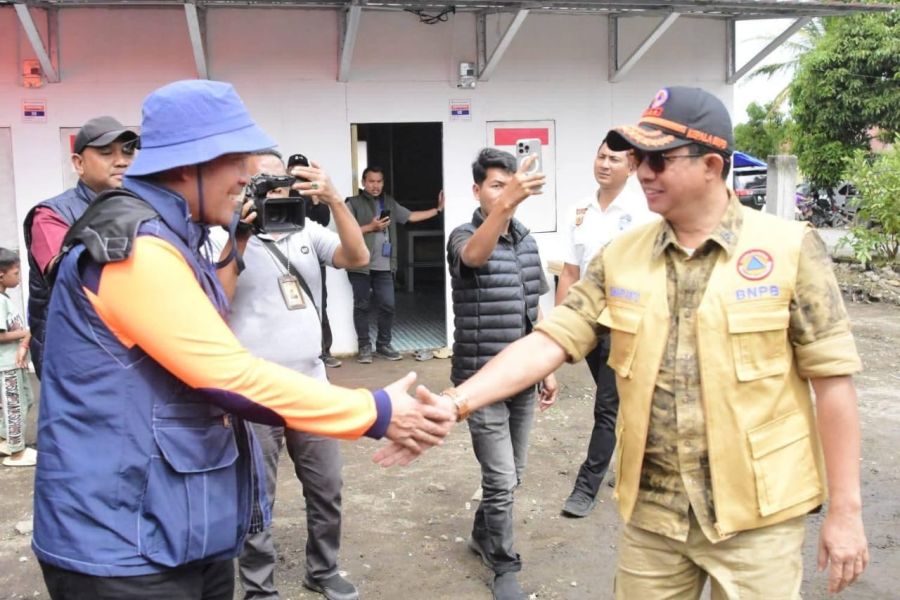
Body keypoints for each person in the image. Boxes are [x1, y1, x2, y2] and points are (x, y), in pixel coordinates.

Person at [378, 86, 869, 598]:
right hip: (653, 518)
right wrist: (454, 403)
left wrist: (847, 513)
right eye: (639, 158)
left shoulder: (788, 249)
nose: (642, 171)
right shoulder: (622, 256)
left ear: (712, 165)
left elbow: (833, 384)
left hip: (757, 519)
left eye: (659, 158)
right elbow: (550, 339)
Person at [32, 79, 453, 600]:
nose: (251, 176)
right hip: (122, 544)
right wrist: (376, 412)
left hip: (168, 527)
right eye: (239, 159)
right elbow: (227, 375)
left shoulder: (174, 235)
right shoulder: (134, 248)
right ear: (190, 164)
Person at [210, 149, 367, 600]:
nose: (273, 189)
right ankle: (260, 588)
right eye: (261, 182)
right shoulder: (218, 235)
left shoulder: (304, 228)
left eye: (279, 181)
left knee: (327, 488)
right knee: (257, 500)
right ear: (243, 182)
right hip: (252, 393)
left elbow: (355, 256)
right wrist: (238, 235)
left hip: (311, 386)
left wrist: (336, 199)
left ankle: (323, 569)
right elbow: (216, 303)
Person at [446, 148, 558, 600]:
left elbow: (535, 307)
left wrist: (548, 367)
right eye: (496, 185)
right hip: (480, 382)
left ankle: (481, 535)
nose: (505, 193)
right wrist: (505, 207)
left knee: (514, 474)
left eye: (510, 185)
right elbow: (474, 257)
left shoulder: (528, 242)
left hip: (524, 380)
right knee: (499, 478)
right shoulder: (463, 236)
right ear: (477, 190)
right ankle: (504, 564)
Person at [556, 138, 655, 518]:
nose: (605, 164)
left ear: (630, 168)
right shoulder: (578, 211)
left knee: (607, 406)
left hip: (625, 322)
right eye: (600, 156)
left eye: (614, 159)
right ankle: (641, 465)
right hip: (588, 322)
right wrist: (562, 327)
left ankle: (586, 486)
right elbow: (569, 271)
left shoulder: (643, 211)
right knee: (626, 402)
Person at [22, 116, 139, 378]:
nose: (121, 161)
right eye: (106, 153)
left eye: (128, 152)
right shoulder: (50, 215)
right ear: (78, 163)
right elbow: (66, 272)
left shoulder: (140, 208)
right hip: (74, 366)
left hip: (130, 359)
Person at [345, 167, 444, 363]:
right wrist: (370, 227)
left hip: (384, 265)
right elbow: (345, 230)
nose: (375, 185)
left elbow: (410, 217)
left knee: (388, 305)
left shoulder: (388, 201)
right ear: (364, 182)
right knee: (362, 305)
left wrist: (438, 209)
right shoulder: (353, 203)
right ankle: (364, 346)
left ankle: (383, 344)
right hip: (359, 264)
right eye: (371, 181)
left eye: (379, 181)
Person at [0, 249, 36, 467]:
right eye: (16, 272)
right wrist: (27, 331)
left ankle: (5, 439)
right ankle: (16, 452)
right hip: (6, 365)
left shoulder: (5, 298)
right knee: (15, 407)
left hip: (13, 364)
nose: (19, 277)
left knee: (24, 400)